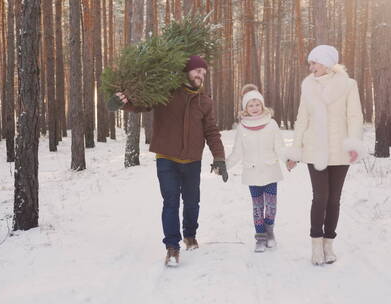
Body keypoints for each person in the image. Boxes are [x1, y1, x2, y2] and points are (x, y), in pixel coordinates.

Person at [113, 55, 228, 267]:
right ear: (187, 71)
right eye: (197, 71)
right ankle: (172, 248)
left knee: (193, 202)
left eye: (203, 72)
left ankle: (190, 235)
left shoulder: (205, 101)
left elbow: (211, 131)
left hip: (192, 160)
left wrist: (219, 157)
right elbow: (142, 104)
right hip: (166, 158)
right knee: (171, 202)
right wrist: (124, 102)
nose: (200, 75)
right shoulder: (167, 92)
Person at [286, 45, 365, 265]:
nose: (311, 67)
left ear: (328, 63)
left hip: (340, 150)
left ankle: (329, 244)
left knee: (334, 199)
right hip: (314, 150)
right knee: (320, 197)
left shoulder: (349, 85)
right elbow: (302, 120)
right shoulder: (308, 87)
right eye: (310, 63)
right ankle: (316, 245)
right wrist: (295, 151)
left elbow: (355, 116)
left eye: (315, 63)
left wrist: (354, 144)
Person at [226, 84, 286, 252]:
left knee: (271, 206)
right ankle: (260, 237)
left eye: (257, 104)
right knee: (258, 206)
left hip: (270, 170)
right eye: (250, 105)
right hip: (252, 172)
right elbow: (237, 152)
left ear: (262, 105)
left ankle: (270, 232)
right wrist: (225, 166)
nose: (254, 108)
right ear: (245, 108)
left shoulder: (272, 124)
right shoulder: (242, 127)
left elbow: (280, 148)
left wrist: (289, 159)